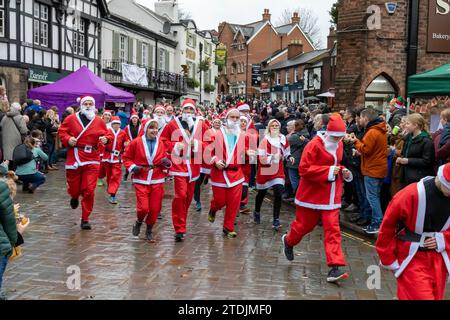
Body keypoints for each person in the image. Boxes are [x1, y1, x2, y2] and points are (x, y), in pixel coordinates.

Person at [282, 115, 353, 283]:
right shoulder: (313, 145)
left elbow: (336, 165)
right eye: (336, 136)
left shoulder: (340, 144)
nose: (339, 139)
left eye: (341, 136)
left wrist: (343, 171)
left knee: (333, 230)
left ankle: (335, 267)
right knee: (303, 227)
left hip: (331, 196)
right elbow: (304, 169)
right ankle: (289, 240)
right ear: (329, 133)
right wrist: (329, 172)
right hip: (311, 195)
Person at [376, 163, 450, 300]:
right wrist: (388, 258)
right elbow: (387, 226)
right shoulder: (411, 193)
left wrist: (443, 239)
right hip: (412, 257)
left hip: (438, 260)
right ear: (443, 180)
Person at [58, 96, 111, 230]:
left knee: (89, 190)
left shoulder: (99, 121)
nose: (88, 106)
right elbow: (62, 131)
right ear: (81, 105)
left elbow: (107, 135)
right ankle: (74, 196)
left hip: (92, 158)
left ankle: (85, 218)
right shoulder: (71, 119)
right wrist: (68, 139)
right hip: (75, 156)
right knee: (74, 187)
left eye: (90, 104)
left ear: (94, 106)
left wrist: (106, 139)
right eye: (85, 103)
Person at [160, 99, 208, 242]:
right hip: (179, 164)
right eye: (185, 109)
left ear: (194, 111)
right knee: (180, 195)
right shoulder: (173, 124)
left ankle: (182, 220)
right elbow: (163, 141)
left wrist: (198, 144)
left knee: (187, 197)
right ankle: (179, 227)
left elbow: (210, 142)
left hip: (194, 165)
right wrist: (175, 145)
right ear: (181, 110)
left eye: (190, 110)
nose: (188, 112)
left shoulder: (201, 125)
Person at [123, 119, 171, 241]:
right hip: (141, 178)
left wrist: (166, 162)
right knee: (143, 208)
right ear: (145, 129)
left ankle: (149, 229)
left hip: (157, 179)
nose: (154, 130)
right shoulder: (136, 142)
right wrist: (133, 167)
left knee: (155, 209)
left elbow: (164, 159)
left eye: (156, 128)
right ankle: (139, 221)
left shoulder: (160, 143)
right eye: (151, 128)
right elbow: (126, 158)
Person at [207, 108, 249, 238]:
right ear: (227, 118)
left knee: (234, 203)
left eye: (238, 118)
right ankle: (213, 208)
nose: (235, 120)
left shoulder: (243, 135)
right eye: (233, 117)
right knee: (220, 201)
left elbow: (245, 155)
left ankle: (228, 227)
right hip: (219, 173)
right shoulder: (216, 133)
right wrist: (215, 160)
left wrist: (248, 154)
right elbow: (207, 151)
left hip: (236, 174)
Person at [349, 108, 388, 234]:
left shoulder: (372, 132)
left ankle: (377, 223)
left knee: (372, 198)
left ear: (366, 118)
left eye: (360, 117)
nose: (359, 120)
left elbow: (366, 150)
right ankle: (376, 221)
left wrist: (355, 141)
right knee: (374, 196)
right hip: (378, 167)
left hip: (373, 169)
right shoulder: (379, 129)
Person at [254, 119, 294, 230]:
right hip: (265, 170)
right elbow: (260, 158)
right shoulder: (264, 140)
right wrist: (272, 157)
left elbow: (286, 152)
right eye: (273, 125)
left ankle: (276, 219)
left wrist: (289, 157)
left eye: (277, 125)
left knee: (278, 192)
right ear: (269, 127)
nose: (275, 127)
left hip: (278, 170)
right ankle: (257, 211)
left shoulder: (283, 138)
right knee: (261, 194)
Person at [396, 113, 435, 190]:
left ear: (415, 125)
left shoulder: (426, 141)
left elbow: (428, 161)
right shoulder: (409, 138)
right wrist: (401, 160)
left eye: (408, 123)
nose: (405, 125)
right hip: (406, 176)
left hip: (418, 178)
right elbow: (405, 154)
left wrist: (408, 161)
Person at [99, 116, 129, 204]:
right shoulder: (108, 131)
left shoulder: (123, 133)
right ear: (112, 124)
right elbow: (105, 140)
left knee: (115, 176)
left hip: (117, 158)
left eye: (118, 124)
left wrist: (126, 144)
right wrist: (104, 141)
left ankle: (113, 195)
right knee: (109, 177)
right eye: (115, 124)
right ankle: (110, 191)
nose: (116, 125)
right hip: (107, 157)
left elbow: (126, 142)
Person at [0, 102, 28, 170]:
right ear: (18, 109)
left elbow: (1, 127)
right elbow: (24, 131)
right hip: (16, 141)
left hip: (5, 140)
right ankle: (14, 176)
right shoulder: (19, 117)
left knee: (7, 159)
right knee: (15, 159)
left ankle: (7, 175)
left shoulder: (5, 116)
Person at [286, 119, 310, 196]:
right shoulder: (306, 135)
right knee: (300, 180)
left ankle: (298, 196)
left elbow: (284, 142)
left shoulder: (295, 136)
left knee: (294, 179)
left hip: (294, 160)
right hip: (303, 160)